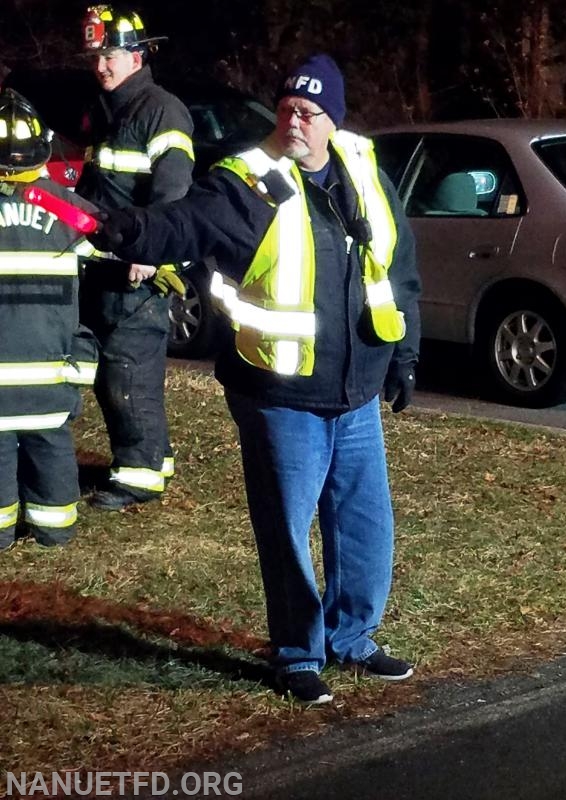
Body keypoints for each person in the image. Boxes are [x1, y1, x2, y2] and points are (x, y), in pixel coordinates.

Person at [89, 54, 421, 704]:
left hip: (355, 391)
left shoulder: (360, 167)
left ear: (335, 120)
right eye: (288, 107)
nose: (295, 120)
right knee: (287, 530)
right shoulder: (249, 181)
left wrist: (405, 352)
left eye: (310, 111)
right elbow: (185, 223)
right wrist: (127, 230)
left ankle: (351, 639)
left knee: (364, 524)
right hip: (280, 393)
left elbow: (397, 261)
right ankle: (298, 652)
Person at [76, 5, 195, 511]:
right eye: (96, 56)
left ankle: (140, 476)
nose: (102, 66)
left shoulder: (160, 110)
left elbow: (173, 191)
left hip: (137, 270)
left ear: (138, 55)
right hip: (107, 264)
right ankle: (153, 455)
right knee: (112, 370)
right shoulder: (109, 111)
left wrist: (151, 252)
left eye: (111, 55)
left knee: (127, 369)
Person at [0, 88, 98, 549]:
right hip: (52, 377)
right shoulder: (64, 207)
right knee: (51, 446)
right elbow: (112, 239)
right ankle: (55, 528)